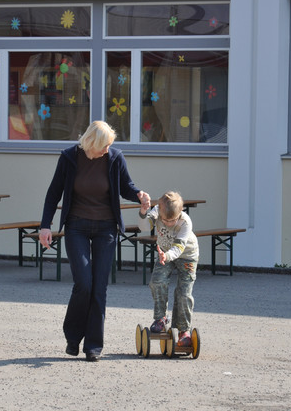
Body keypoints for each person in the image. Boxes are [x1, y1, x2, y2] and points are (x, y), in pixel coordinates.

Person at [39, 121, 150, 362]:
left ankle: (93, 345)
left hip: (106, 229)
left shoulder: (115, 158)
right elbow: (53, 193)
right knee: (84, 284)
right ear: (92, 143)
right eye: (104, 145)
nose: (108, 149)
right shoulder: (69, 158)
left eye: (110, 145)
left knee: (99, 287)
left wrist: (139, 195)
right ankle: (72, 337)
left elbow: (126, 187)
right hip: (76, 226)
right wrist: (45, 226)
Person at [138, 190, 199, 347]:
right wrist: (143, 212)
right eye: (164, 220)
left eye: (172, 221)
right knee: (157, 282)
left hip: (186, 256)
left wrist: (167, 256)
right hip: (164, 253)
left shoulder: (185, 222)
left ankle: (184, 330)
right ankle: (161, 318)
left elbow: (179, 248)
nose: (167, 224)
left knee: (184, 293)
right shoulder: (157, 211)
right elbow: (144, 227)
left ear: (180, 213)